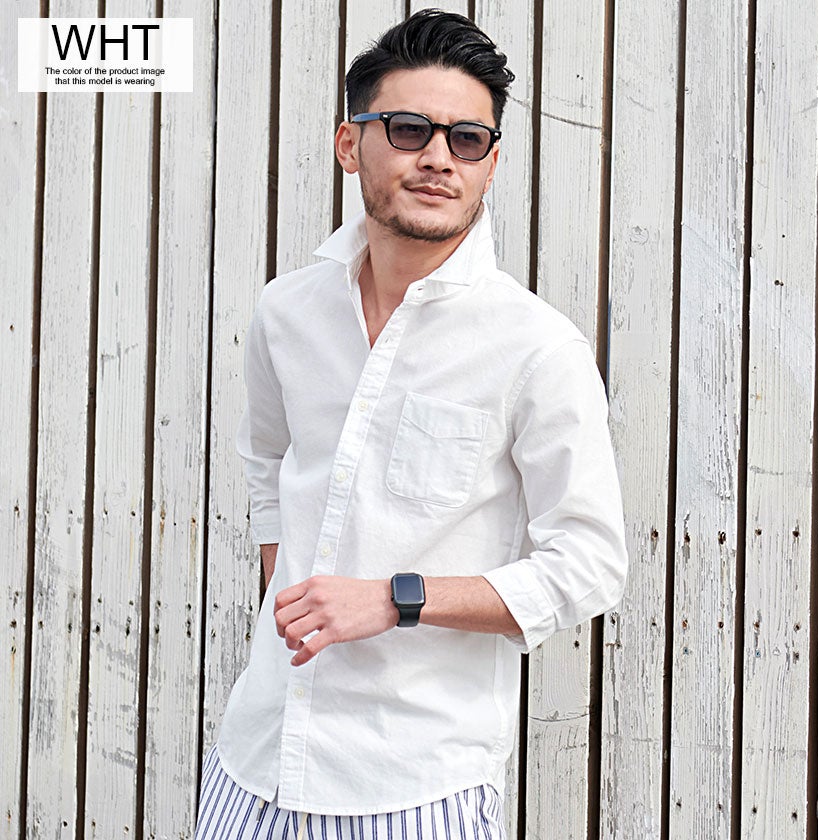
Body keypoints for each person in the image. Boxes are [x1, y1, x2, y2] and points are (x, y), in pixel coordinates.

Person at [196, 9, 628, 839]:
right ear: (349, 144)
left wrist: (396, 600)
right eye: (408, 129)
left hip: (414, 785)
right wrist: (291, 596)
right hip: (255, 759)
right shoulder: (288, 312)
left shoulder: (536, 348)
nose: (438, 157)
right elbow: (269, 472)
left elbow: (590, 565)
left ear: (491, 164)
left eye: (467, 139)